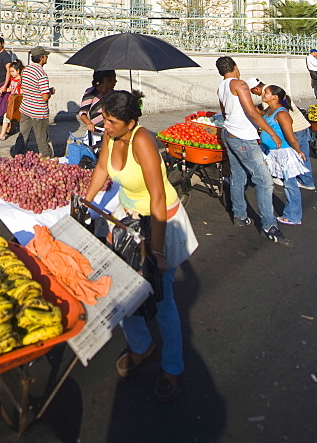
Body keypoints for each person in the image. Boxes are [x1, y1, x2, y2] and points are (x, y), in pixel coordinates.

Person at [84, 89, 198, 403]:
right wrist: (85, 202)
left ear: (131, 122)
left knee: (162, 301)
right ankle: (141, 347)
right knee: (122, 294)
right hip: (127, 222)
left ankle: (172, 367)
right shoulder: (110, 136)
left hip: (158, 223)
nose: (105, 125)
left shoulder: (143, 141)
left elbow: (158, 197)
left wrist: (158, 250)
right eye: (104, 118)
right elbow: (102, 170)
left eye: (112, 121)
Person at [215, 56, 287, 244]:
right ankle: (269, 225)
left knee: (238, 176)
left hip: (229, 133)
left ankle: (239, 215)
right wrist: (272, 133)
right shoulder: (240, 84)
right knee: (264, 181)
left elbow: (224, 112)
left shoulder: (221, 86)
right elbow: (252, 112)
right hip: (243, 137)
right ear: (236, 67)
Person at [247, 77, 315, 191]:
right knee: (303, 156)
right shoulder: (274, 88)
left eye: (252, 91)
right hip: (302, 125)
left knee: (293, 158)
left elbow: (268, 117)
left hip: (294, 129)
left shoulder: (270, 96)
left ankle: (292, 180)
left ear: (256, 89)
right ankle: (307, 181)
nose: (256, 95)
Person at [259, 84, 307, 225]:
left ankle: (293, 216)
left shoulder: (282, 113)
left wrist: (298, 151)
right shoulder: (268, 110)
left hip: (283, 153)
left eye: (266, 92)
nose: (263, 94)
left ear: (275, 97)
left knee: (290, 184)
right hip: (270, 151)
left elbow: (290, 136)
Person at [14, 46, 55, 158]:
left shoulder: (26, 70)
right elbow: (45, 97)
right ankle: (48, 161)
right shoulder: (41, 74)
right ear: (42, 58)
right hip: (38, 111)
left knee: (23, 136)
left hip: (26, 107)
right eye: (45, 56)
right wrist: (50, 92)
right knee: (42, 140)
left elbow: (25, 86)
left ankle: (16, 157)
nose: (46, 58)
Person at [74, 70, 117, 147]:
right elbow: (82, 112)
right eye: (114, 78)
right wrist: (89, 123)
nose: (116, 81)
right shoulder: (91, 92)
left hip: (110, 131)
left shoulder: (112, 93)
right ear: (106, 80)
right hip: (96, 132)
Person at [0, 60, 23, 140]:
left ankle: (3, 134)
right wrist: (5, 90)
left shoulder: (21, 80)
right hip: (12, 101)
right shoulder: (13, 80)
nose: (11, 73)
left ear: (18, 70)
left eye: (13, 71)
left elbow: (21, 91)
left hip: (17, 101)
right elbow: (11, 88)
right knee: (8, 116)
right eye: (10, 71)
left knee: (9, 117)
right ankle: (3, 133)